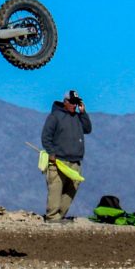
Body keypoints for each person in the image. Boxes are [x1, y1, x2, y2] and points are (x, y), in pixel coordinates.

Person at [40, 89, 92, 223]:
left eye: (76, 103)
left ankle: (60, 216)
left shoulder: (78, 117)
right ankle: (52, 217)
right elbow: (46, 137)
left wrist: (83, 112)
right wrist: (51, 153)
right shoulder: (55, 116)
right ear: (65, 102)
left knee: (71, 189)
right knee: (56, 188)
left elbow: (88, 129)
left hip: (75, 161)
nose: (74, 105)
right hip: (58, 161)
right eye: (72, 102)